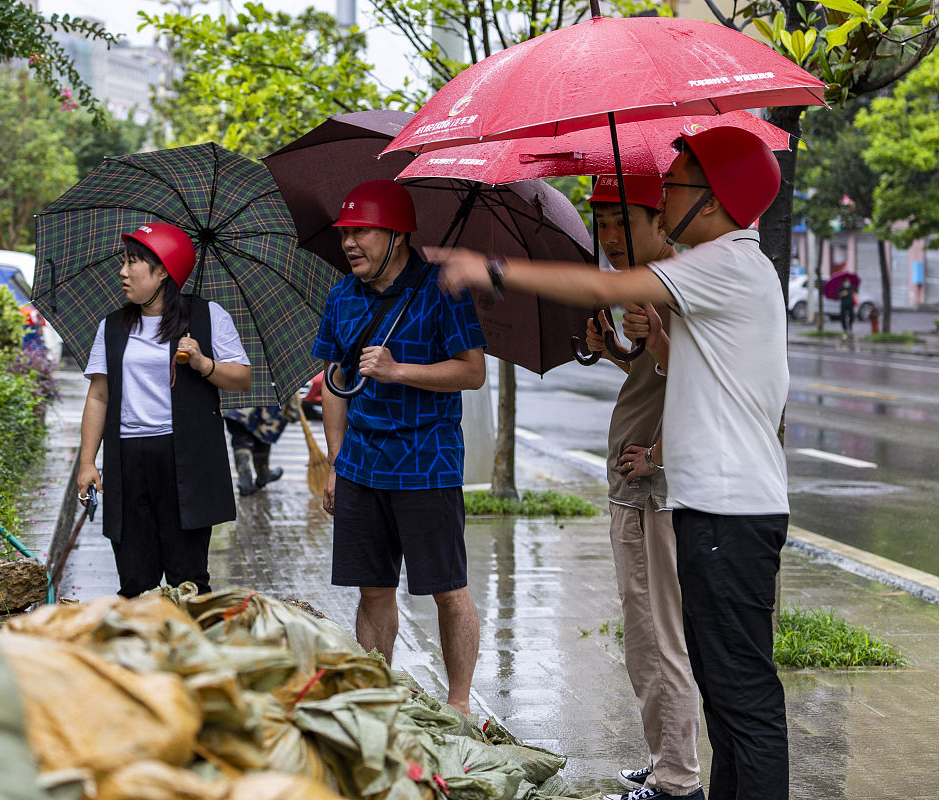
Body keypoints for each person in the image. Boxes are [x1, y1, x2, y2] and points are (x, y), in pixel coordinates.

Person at [428, 126, 790, 800]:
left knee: (743, 701)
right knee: (729, 700)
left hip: (729, 515)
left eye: (675, 185)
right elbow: (701, 377)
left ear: (711, 201)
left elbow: (604, 283)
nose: (664, 198)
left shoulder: (726, 263)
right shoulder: (733, 268)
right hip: (718, 510)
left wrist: (492, 268)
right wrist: (638, 347)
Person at [312, 179, 487, 714]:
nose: (349, 244)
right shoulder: (342, 295)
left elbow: (473, 372)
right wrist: (337, 460)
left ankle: (458, 704)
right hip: (362, 466)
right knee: (371, 589)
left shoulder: (444, 287)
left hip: (427, 464)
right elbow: (335, 379)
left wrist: (399, 370)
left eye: (360, 231)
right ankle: (375, 698)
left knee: (447, 589)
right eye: (345, 233)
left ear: (396, 234)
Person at [583, 175, 702, 800]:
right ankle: (666, 760)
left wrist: (654, 454)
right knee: (645, 634)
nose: (609, 236)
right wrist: (618, 353)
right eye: (601, 222)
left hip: (653, 493)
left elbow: (705, 383)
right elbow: (659, 375)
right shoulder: (653, 292)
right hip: (636, 489)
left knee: (656, 638)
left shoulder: (678, 287)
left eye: (622, 221)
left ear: (662, 219)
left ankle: (676, 781)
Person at [78, 222, 252, 598]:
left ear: (163, 272)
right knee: (135, 582)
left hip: (185, 460)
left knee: (188, 579)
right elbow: (99, 396)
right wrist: (87, 462)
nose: (122, 272)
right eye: (123, 262)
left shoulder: (207, 317)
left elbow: (242, 378)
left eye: (133, 263)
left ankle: (190, 652)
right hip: (127, 459)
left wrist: (204, 363)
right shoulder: (112, 326)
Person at [224, 403, 298, 496]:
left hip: (236, 410)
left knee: (241, 443)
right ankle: (263, 474)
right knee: (263, 439)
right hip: (264, 416)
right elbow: (293, 415)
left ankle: (245, 480)